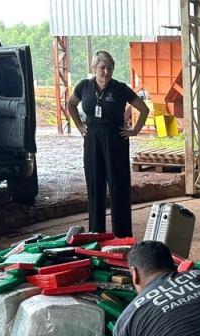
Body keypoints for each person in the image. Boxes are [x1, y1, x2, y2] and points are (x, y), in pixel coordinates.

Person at [67, 50, 150, 237]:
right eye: (102, 68)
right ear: (94, 68)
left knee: (118, 185)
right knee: (95, 184)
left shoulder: (120, 89)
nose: (106, 72)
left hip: (116, 140)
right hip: (92, 140)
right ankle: (96, 232)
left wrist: (135, 130)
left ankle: (122, 234)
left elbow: (143, 109)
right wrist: (79, 126)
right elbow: (70, 104)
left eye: (110, 68)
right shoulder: (84, 87)